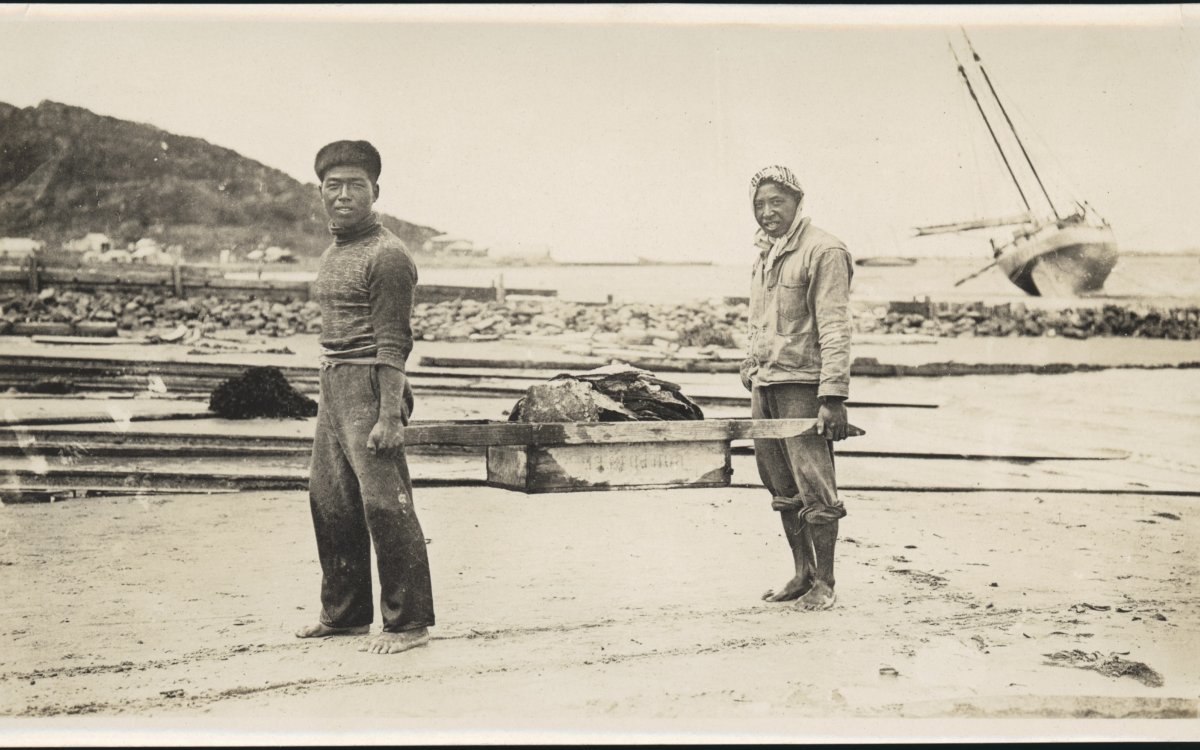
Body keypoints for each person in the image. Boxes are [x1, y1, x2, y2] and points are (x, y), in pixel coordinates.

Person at [294, 140, 435, 654]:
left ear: (375, 191)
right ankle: (346, 615)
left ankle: (410, 623)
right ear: (321, 192)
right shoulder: (336, 250)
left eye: (356, 185)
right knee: (331, 500)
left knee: (385, 504)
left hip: (373, 385)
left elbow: (396, 342)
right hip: (334, 383)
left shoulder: (388, 255)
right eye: (335, 185)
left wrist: (389, 414)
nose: (345, 194)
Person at [740, 165, 853, 611]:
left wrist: (833, 397)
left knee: (815, 488)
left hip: (803, 388)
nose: (767, 212)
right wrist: (750, 362)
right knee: (780, 487)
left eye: (777, 202)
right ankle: (801, 573)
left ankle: (825, 581)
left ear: (797, 201)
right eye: (759, 204)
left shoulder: (824, 250)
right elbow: (761, 321)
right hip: (765, 387)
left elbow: (835, 327)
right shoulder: (765, 254)